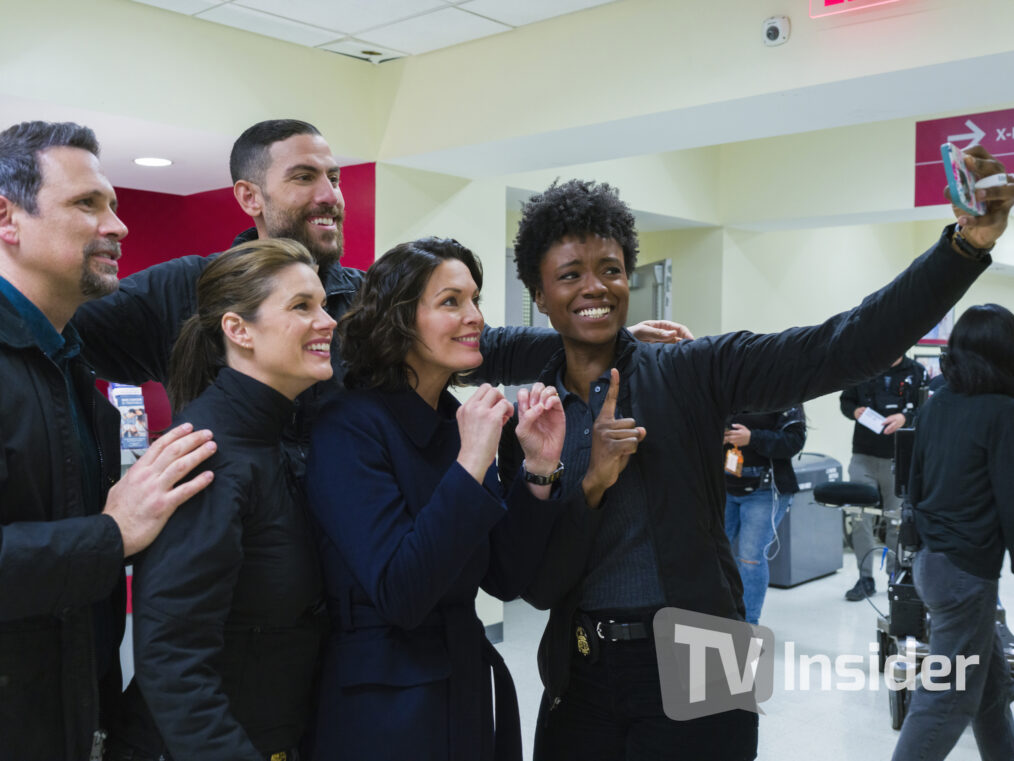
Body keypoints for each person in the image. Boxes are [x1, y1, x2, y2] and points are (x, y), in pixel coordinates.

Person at [507, 162, 1012, 761]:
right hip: (582, 663)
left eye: (611, 270)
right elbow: (535, 579)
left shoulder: (690, 369)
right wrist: (584, 479)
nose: (595, 286)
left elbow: (842, 344)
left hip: (707, 645)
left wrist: (962, 247)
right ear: (538, 294)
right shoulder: (537, 415)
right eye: (570, 274)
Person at [70, 119, 686, 477]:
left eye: (333, 178)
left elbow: (477, 344)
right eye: (304, 178)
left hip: (339, 546)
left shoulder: (359, 296)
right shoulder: (188, 287)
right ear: (250, 198)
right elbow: (64, 331)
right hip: (238, 533)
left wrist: (595, 339)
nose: (330, 195)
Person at [0, 120, 216, 761]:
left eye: (115, 205)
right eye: (86, 204)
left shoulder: (71, 368)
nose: (118, 227)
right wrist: (113, 532)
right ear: (7, 219)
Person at [305, 237, 566, 760]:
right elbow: (401, 592)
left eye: (475, 299)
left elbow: (505, 579)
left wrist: (538, 469)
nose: (475, 317)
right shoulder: (348, 427)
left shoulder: (456, 422)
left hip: (463, 688)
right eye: (451, 302)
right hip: (384, 708)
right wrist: (473, 462)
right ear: (399, 319)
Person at [110, 239, 337, 761]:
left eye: (323, 304)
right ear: (238, 330)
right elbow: (173, 661)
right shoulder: (206, 456)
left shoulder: (271, 438)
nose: (327, 321)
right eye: (302, 306)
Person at [891, 304, 1014, 761]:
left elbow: (915, 483)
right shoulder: (1003, 411)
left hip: (932, 563)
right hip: (965, 573)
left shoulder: (939, 401)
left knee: (990, 686)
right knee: (947, 699)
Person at [839, 354, 926, 600]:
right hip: (863, 455)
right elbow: (846, 402)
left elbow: (927, 409)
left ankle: (894, 575)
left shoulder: (916, 372)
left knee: (896, 519)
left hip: (898, 458)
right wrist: (855, 411)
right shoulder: (863, 367)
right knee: (859, 516)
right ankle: (865, 578)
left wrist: (905, 419)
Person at [722, 407, 806, 625]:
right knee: (714, 555)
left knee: (751, 559)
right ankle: (720, 618)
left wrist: (752, 438)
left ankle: (749, 626)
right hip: (724, 484)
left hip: (765, 490)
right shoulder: (725, 386)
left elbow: (794, 441)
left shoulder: (783, 392)